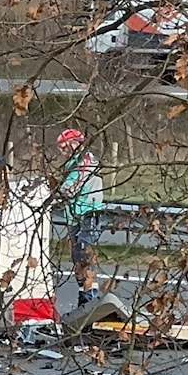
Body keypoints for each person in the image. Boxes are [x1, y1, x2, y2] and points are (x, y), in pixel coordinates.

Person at [57, 128, 104, 307]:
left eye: (65, 148)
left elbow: (70, 186)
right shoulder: (72, 163)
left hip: (88, 214)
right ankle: (84, 296)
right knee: (76, 258)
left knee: (85, 256)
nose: (63, 153)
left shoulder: (85, 161)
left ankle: (90, 299)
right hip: (74, 215)